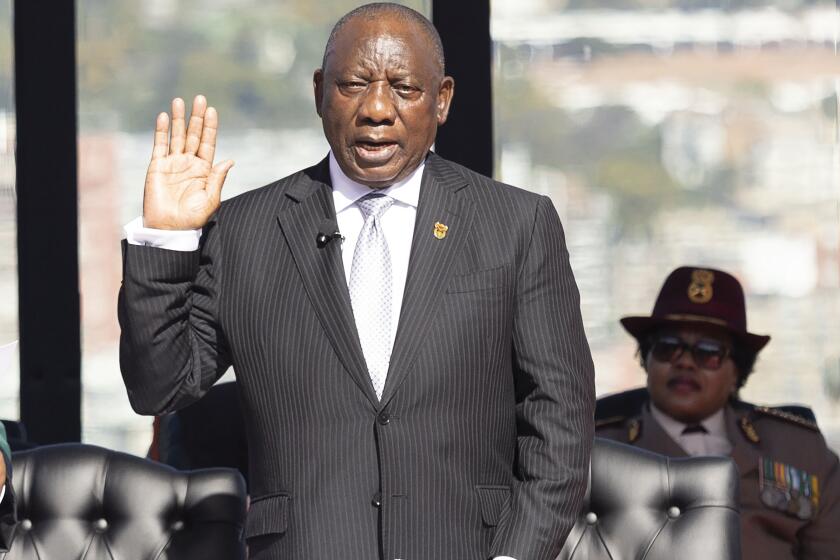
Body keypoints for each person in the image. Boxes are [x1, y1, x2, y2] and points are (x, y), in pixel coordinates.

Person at [118, 3, 595, 559]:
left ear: (441, 99)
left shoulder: (516, 224)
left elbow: (559, 415)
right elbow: (161, 386)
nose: (376, 109)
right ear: (320, 90)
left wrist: (516, 554)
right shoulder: (245, 230)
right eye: (353, 84)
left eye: (404, 89)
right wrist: (168, 239)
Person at [596, 266, 840, 559]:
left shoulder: (798, 449)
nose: (685, 363)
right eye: (668, 348)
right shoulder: (597, 446)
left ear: (737, 371)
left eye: (708, 352)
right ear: (646, 360)